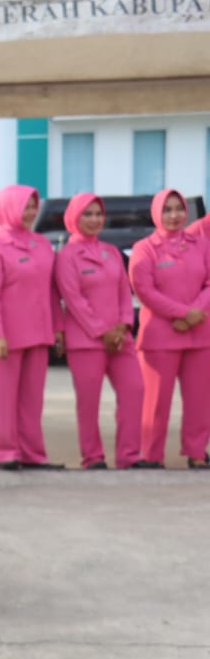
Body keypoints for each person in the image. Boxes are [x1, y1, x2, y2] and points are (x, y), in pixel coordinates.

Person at [52, 193, 147, 470]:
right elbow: (74, 300)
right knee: (89, 402)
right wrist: (102, 331)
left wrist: (123, 326)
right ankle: (92, 457)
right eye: (88, 214)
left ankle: (129, 455)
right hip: (86, 341)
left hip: (120, 338)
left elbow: (124, 291)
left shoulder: (112, 252)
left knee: (135, 389)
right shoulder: (66, 256)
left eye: (98, 214)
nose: (94, 220)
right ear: (74, 217)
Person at [0, 184, 62, 470]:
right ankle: (7, 453)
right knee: (3, 401)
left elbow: (50, 289)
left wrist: (57, 327)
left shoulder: (42, 244)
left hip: (38, 333)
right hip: (3, 337)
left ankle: (33, 454)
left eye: (34, 206)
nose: (31, 212)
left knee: (32, 401)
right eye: (25, 206)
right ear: (8, 208)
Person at [127, 188, 210, 469]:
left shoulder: (201, 245)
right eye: (167, 209)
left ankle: (197, 452)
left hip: (200, 333)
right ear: (156, 213)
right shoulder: (144, 248)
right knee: (156, 400)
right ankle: (151, 455)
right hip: (161, 335)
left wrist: (195, 313)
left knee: (200, 400)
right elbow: (144, 290)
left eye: (179, 209)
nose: (174, 215)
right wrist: (184, 313)